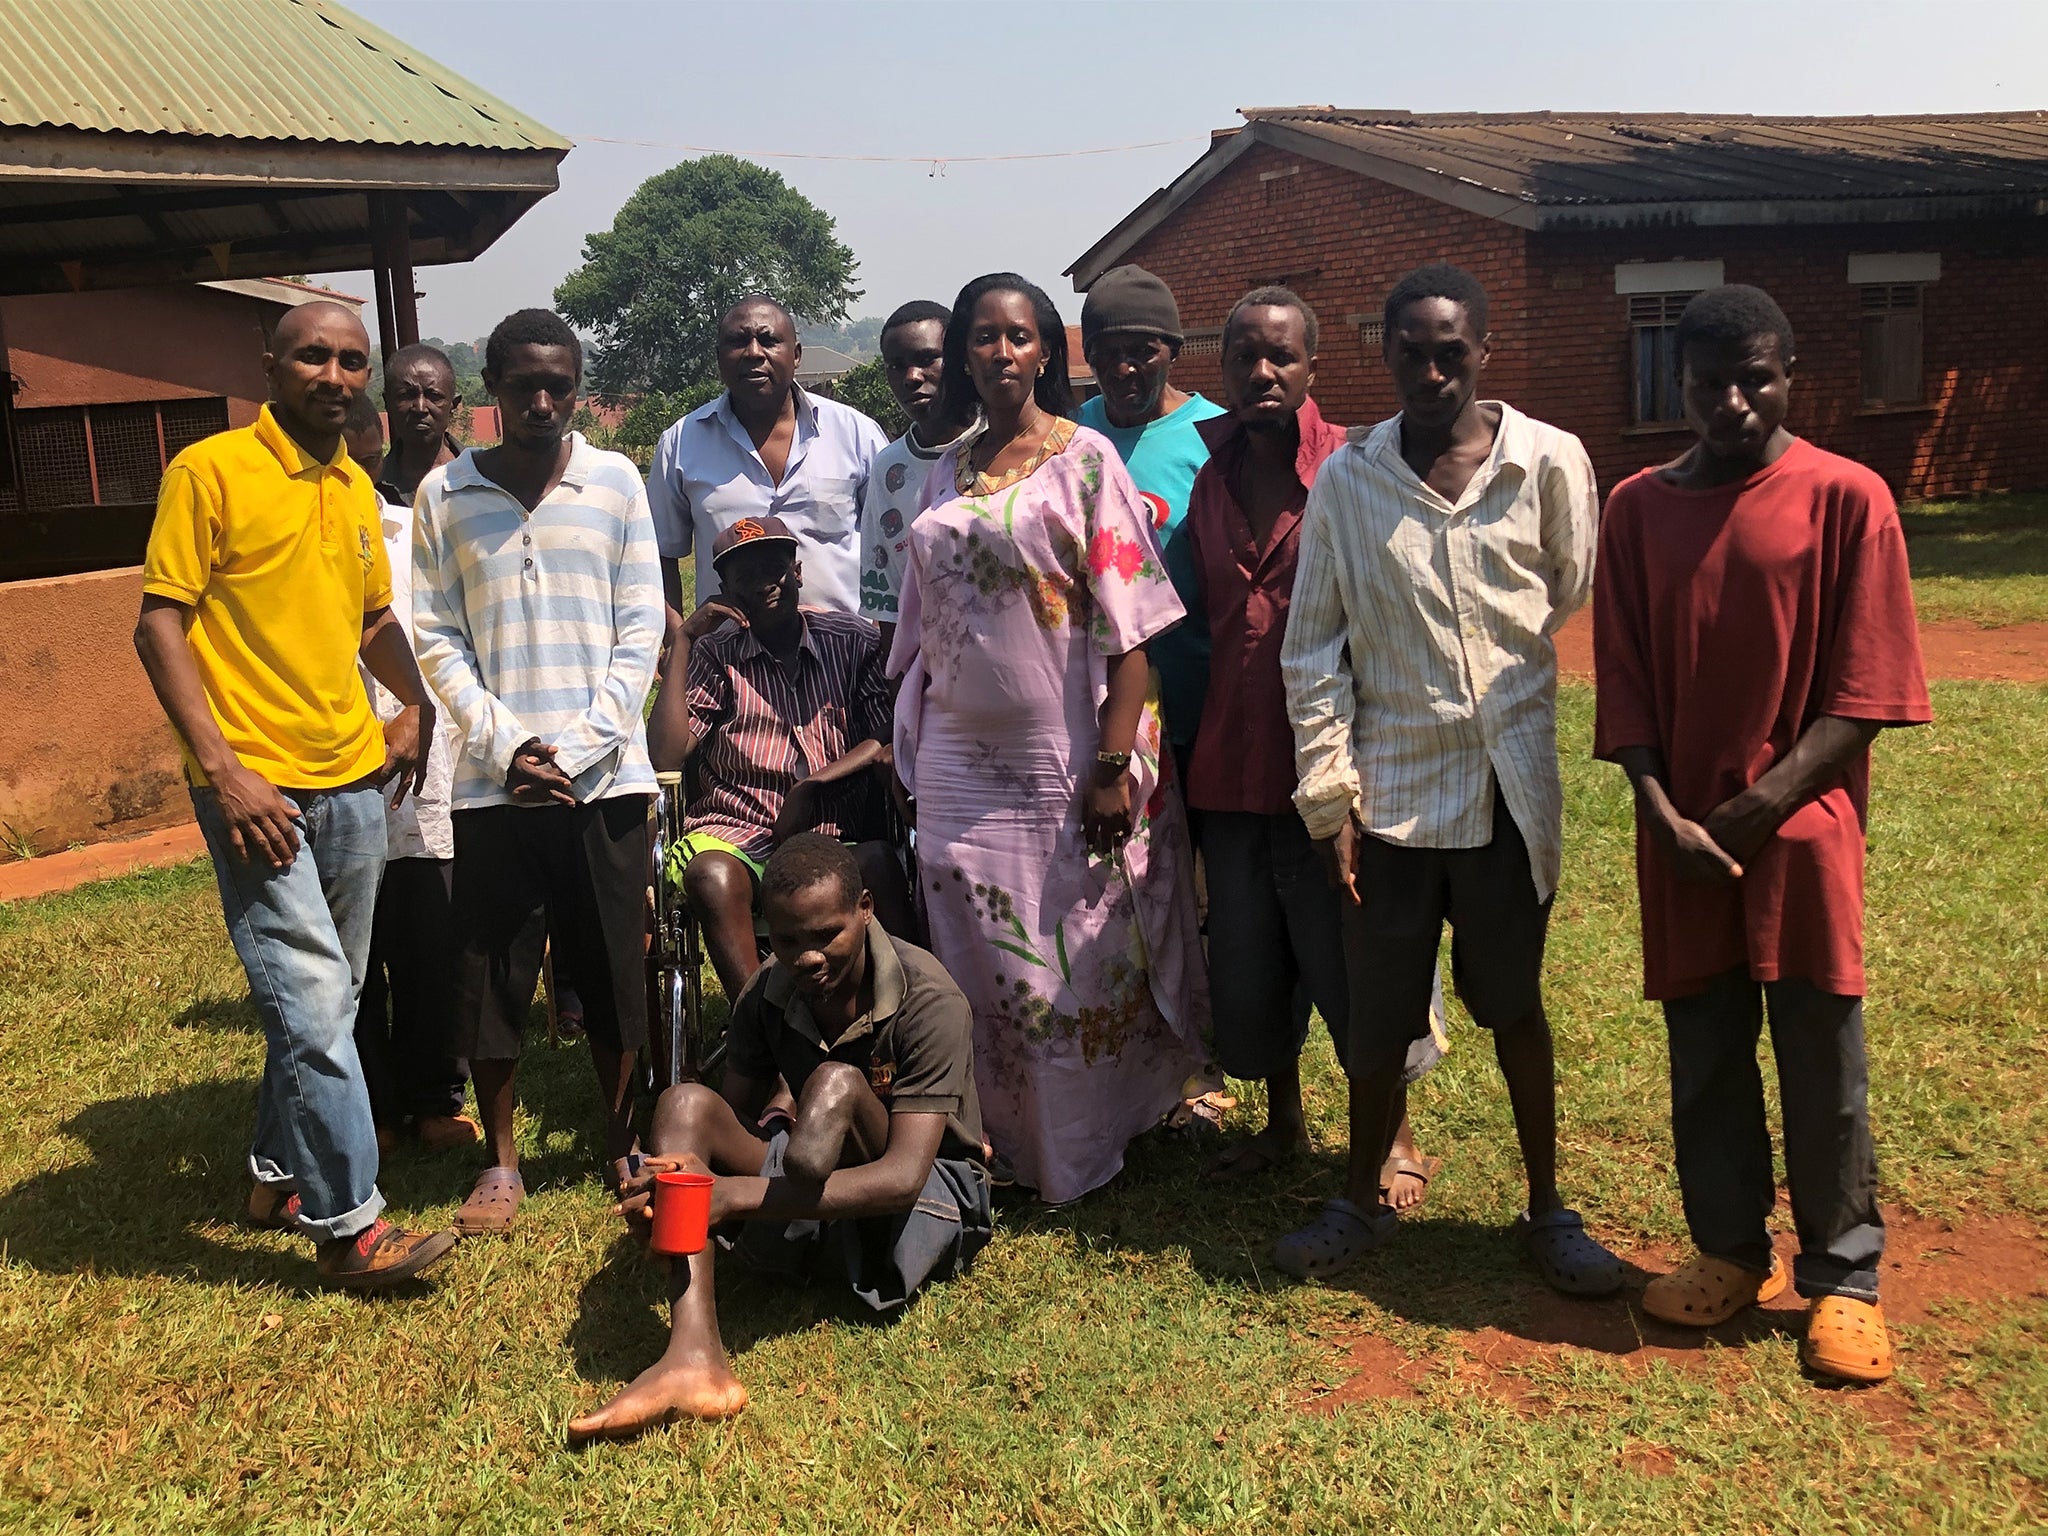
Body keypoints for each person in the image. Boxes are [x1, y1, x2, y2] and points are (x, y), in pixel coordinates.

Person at [1595, 285, 1930, 1383]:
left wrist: (1757, 804)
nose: (1732, 401)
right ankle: (1728, 1252)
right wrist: (1660, 810)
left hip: (1801, 830)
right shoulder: (1637, 507)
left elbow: (1864, 690)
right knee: (1703, 1052)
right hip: (1679, 834)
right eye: (1707, 383)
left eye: (1756, 378)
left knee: (1818, 1054)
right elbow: (1627, 685)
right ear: (1675, 385)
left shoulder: (1846, 497)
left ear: (1790, 374)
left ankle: (1842, 1280)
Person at [1276, 265, 1621, 1292]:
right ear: (1380, 352)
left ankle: (1546, 1209)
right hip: (1387, 797)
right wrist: (1328, 797)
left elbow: (1566, 585)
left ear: (1482, 352)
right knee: (1377, 1018)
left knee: (1511, 1004)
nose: (1430, 372)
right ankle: (1358, 1201)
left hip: (1508, 791)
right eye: (1409, 352)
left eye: (1450, 352)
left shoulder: (1547, 463)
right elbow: (1312, 650)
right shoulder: (1346, 478)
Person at [132, 300, 457, 1289]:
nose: (334, 375)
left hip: (353, 772)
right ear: (267, 362)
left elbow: (369, 622)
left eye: (351, 361)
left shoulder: (352, 485)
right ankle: (351, 1225)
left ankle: (275, 1173)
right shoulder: (211, 471)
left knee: (332, 991)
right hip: (257, 787)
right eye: (312, 355)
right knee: (312, 995)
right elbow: (158, 626)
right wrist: (225, 772)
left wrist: (417, 706)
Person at [890, 272, 1211, 1205]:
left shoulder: (1085, 461)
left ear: (1045, 352)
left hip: (1063, 755)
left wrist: (1114, 764)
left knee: (1076, 946)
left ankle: (1083, 1145)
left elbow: (1136, 626)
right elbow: (917, 630)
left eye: (1020, 337)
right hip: (957, 758)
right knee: (978, 950)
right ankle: (991, 1142)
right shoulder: (941, 473)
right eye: (982, 338)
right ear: (962, 354)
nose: (1000, 353)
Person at [566, 835, 991, 1440]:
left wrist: (732, 1197)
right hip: (807, 1175)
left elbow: (903, 1178)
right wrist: (675, 1182)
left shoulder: (929, 1000)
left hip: (926, 1195)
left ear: (866, 908)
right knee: (684, 1102)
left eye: (827, 935)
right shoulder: (767, 991)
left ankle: (776, 1239)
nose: (808, 957)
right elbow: (732, 1118)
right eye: (789, 940)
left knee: (836, 1085)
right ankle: (694, 1356)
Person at [1184, 289, 1447, 1198]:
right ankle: (1283, 1123)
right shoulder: (1208, 480)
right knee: (1253, 955)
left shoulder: (1354, 467)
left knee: (1354, 948)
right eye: (1243, 357)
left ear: (1312, 369)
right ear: (1219, 369)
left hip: (1336, 764)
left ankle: (1397, 1132)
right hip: (1230, 763)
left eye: (1281, 358)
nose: (1261, 372)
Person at [412, 308, 664, 1236]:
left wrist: (586, 744)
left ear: (577, 382)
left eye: (560, 383)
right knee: (493, 972)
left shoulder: (615, 480)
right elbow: (434, 636)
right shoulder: (446, 495)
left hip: (605, 782)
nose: (545, 401)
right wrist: (505, 746)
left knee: (611, 969)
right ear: (492, 391)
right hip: (493, 783)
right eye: (525, 386)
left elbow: (644, 624)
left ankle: (618, 1142)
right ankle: (503, 1161)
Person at [646, 513, 910, 999]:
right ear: (724, 588)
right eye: (746, 576)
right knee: (710, 874)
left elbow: (886, 732)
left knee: (880, 861)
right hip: (737, 833)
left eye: (775, 568)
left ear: (798, 571)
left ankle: (898, 1018)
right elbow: (665, 756)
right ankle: (764, 1031)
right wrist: (682, 640)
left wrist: (814, 785)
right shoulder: (715, 655)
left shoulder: (850, 641)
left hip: (832, 834)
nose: (765, 584)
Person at [341, 394, 477, 1156]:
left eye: (365, 463)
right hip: (334, 762)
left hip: (427, 761)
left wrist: (425, 720)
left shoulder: (411, 532)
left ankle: (433, 1097)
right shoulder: (289, 536)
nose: (356, 478)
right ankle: (373, 1108)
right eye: (342, 464)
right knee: (351, 952)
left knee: (431, 944)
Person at [1074, 265, 1228, 778]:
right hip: (1102, 710)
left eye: (1142, 351)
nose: (1123, 369)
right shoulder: (1070, 436)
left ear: (1174, 351)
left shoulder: (1214, 437)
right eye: (1106, 353)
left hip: (1200, 700)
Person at [648, 295, 889, 617]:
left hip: (847, 657)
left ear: (797, 355)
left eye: (769, 340)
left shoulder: (856, 434)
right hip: (729, 658)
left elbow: (893, 543)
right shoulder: (681, 443)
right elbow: (658, 556)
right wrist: (680, 640)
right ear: (718, 358)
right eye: (737, 342)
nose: (753, 353)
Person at [856, 300, 974, 651]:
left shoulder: (1001, 445)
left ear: (959, 358)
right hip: (932, 679)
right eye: (896, 366)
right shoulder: (888, 469)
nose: (911, 377)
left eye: (926, 359)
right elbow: (889, 599)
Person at [378, 342, 463, 507]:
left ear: (453, 405)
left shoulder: (487, 478)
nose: (420, 408)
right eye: (406, 395)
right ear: (387, 403)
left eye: (434, 396)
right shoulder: (372, 486)